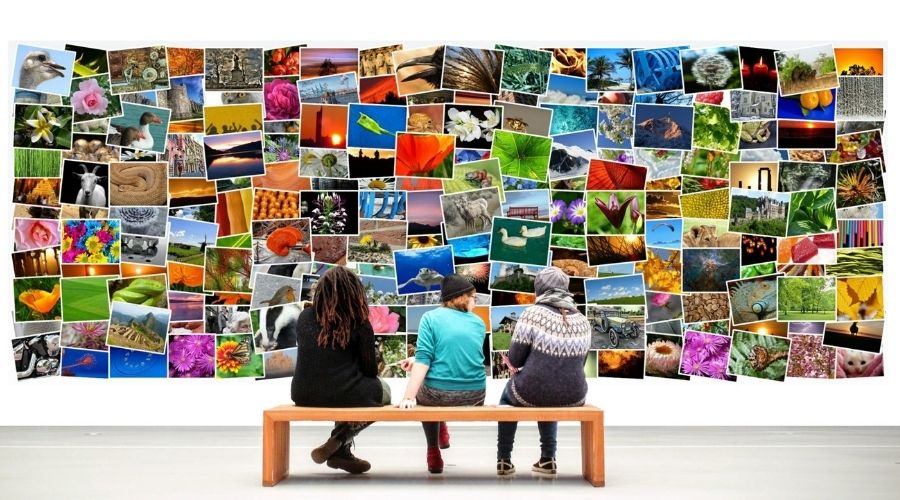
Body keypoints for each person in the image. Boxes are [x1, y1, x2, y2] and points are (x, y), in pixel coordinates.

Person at [290, 266, 391, 474]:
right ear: (355, 292)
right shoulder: (360, 322)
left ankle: (341, 452)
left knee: (345, 389)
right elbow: (370, 370)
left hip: (303, 393)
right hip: (345, 391)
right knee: (384, 392)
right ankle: (339, 439)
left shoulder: (304, 317)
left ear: (321, 291)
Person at [495, 266, 591, 476]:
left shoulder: (532, 314)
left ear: (539, 288)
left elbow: (515, 358)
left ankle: (504, 460)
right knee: (551, 389)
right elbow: (579, 364)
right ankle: (548, 459)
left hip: (531, 392)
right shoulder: (583, 319)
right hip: (575, 395)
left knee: (508, 398)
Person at [398, 273, 486, 473]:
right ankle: (443, 431)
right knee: (435, 380)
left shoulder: (430, 318)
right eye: (474, 297)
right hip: (475, 394)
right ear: (461, 297)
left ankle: (433, 452)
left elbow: (425, 361)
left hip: (438, 395)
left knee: (427, 389)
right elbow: (455, 355)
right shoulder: (478, 323)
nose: (475, 301)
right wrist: (415, 361)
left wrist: (408, 397)